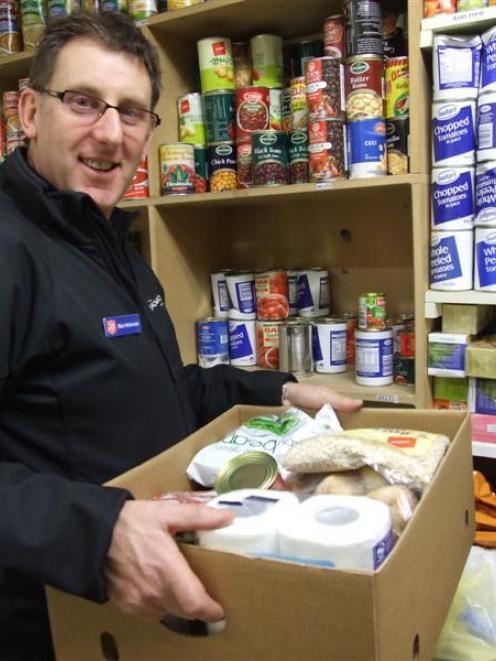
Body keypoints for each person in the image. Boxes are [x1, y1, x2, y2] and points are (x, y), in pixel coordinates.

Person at [0, 11, 362, 660]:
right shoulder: (8, 246)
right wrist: (96, 534)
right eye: (83, 102)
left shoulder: (106, 238)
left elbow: (150, 389)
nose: (110, 133)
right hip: (50, 622)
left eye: (133, 112)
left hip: (141, 606)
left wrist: (275, 388)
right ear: (30, 111)